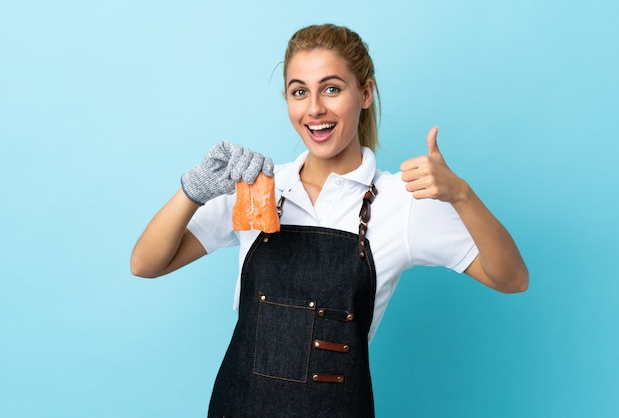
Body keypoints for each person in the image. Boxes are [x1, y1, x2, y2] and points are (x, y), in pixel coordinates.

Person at [130, 23, 528, 418]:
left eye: (332, 88)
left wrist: (462, 195)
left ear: (366, 93)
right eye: (299, 91)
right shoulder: (259, 187)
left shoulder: (401, 204)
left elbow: (512, 279)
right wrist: (193, 190)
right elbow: (146, 264)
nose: (314, 108)